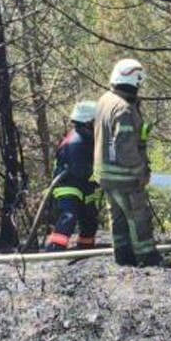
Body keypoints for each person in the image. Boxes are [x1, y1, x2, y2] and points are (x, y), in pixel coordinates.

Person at [93, 58, 165, 266]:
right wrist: (140, 171)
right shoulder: (123, 109)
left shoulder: (104, 100)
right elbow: (125, 147)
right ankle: (148, 256)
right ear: (136, 82)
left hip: (105, 174)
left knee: (118, 218)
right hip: (124, 174)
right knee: (138, 215)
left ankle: (123, 257)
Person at [45, 101, 101, 252]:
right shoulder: (76, 142)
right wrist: (103, 174)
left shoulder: (87, 137)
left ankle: (86, 248)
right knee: (69, 215)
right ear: (88, 122)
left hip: (84, 185)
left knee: (89, 218)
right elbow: (80, 169)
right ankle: (54, 249)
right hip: (68, 185)